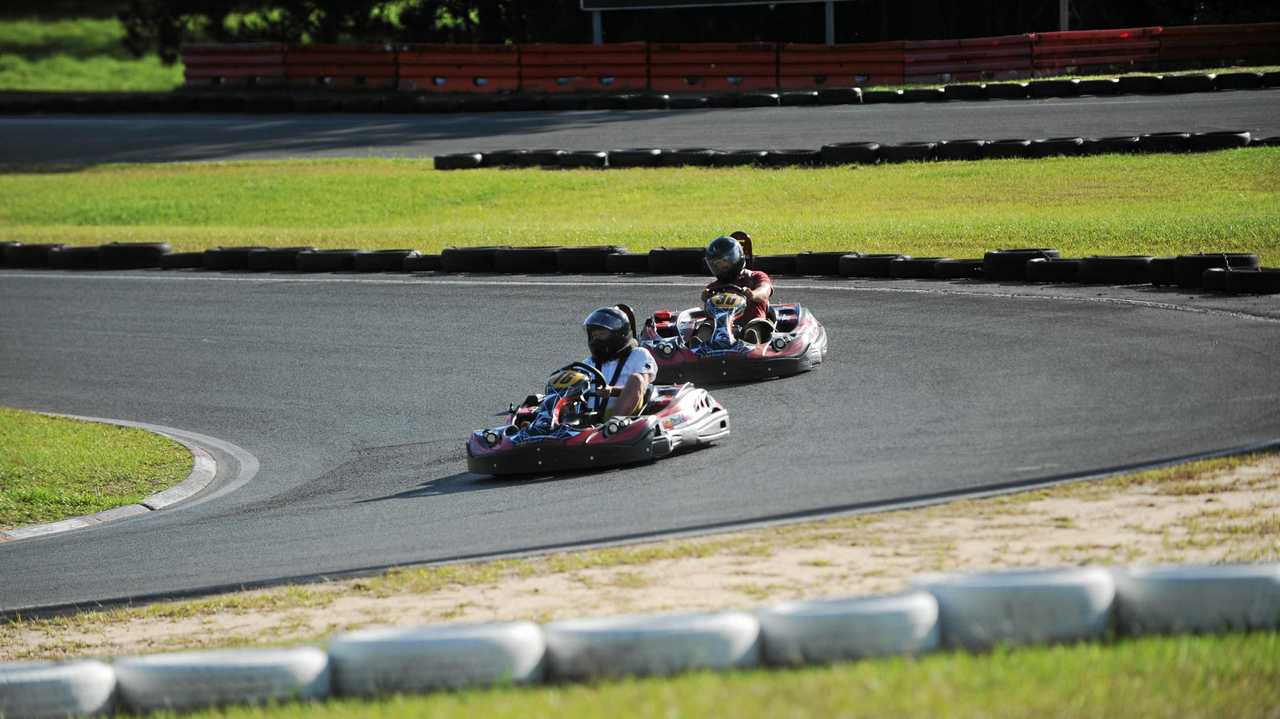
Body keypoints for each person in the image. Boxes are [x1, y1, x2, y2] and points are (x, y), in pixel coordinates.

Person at [581, 304, 657, 419]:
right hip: (587, 416)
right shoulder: (588, 363)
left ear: (618, 334)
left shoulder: (639, 355)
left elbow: (642, 385)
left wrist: (612, 391)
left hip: (621, 418)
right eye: (594, 335)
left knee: (637, 379)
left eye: (601, 334)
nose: (596, 339)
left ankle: (613, 424)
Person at [699, 232, 775, 344]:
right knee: (706, 326)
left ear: (735, 258)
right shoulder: (714, 287)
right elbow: (709, 310)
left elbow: (765, 290)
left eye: (723, 262)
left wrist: (754, 294)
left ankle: (752, 345)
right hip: (721, 327)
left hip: (750, 322)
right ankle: (698, 346)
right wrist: (706, 297)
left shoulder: (755, 277)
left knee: (755, 328)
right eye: (716, 264)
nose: (720, 267)